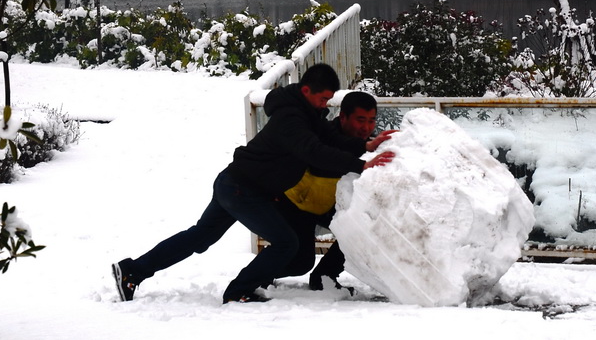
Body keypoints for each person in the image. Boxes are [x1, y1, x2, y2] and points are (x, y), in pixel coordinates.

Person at [112, 64, 395, 304]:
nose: (325, 105)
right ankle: (239, 291)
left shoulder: (307, 112)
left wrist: (366, 144)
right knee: (286, 243)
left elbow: (329, 138)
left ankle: (132, 271)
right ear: (307, 91)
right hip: (242, 189)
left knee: (200, 238)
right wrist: (361, 164)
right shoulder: (291, 118)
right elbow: (313, 150)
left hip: (235, 183)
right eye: (323, 99)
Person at [274, 91, 380, 291]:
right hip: (295, 204)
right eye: (360, 120)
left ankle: (325, 277)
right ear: (343, 117)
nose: (366, 127)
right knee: (299, 262)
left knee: (361, 228)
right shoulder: (319, 137)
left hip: (327, 205)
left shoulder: (368, 145)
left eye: (371, 120)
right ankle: (261, 273)